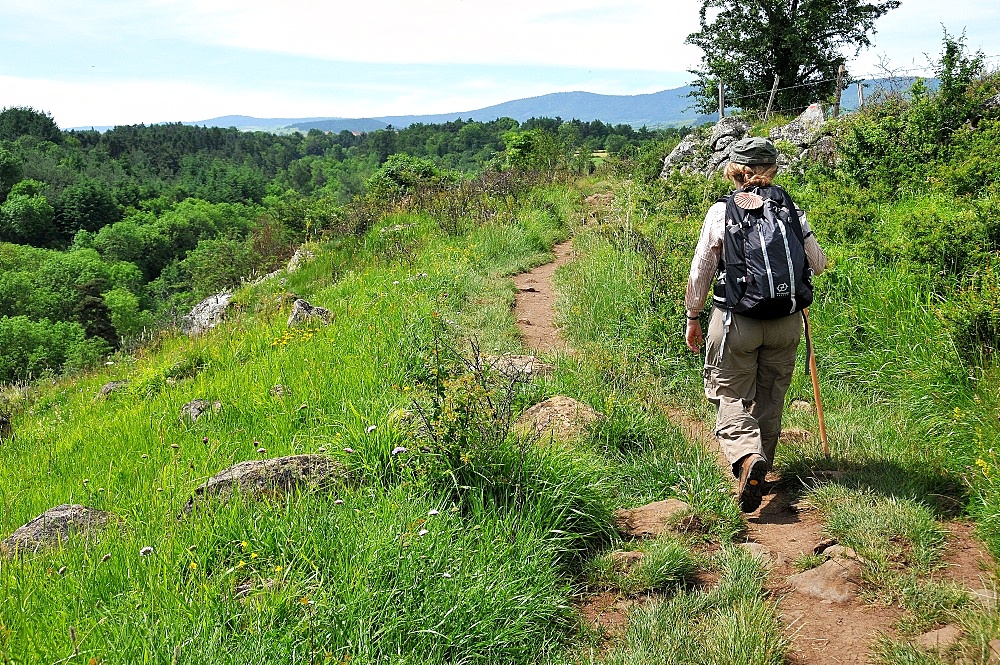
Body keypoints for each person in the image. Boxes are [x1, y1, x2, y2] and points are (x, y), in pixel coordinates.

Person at [684, 136, 827, 513]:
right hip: (786, 322)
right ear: (772, 169)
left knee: (728, 393)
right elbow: (818, 262)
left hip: (736, 322)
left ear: (735, 170)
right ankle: (762, 462)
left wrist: (693, 316)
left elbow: (701, 270)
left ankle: (748, 457)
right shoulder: (791, 209)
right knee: (771, 397)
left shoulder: (721, 212)